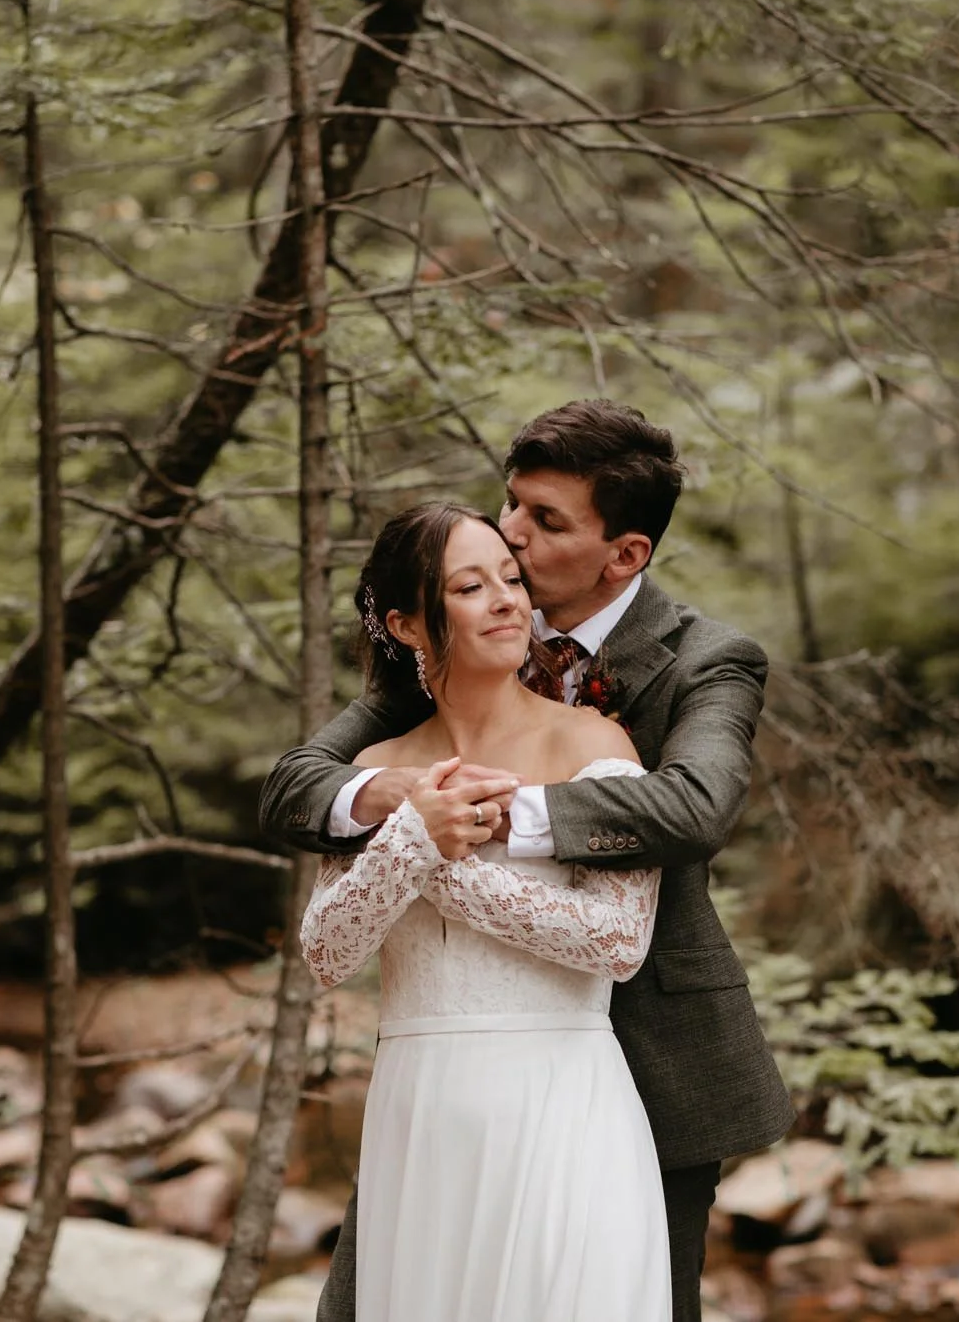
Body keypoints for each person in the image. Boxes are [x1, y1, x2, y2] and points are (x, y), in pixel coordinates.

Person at [260, 399, 796, 1322]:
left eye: (544, 523)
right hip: (438, 1074)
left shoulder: (703, 661)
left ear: (623, 553)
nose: (511, 537)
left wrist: (490, 810)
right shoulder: (440, 635)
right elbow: (297, 786)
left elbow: (696, 806)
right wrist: (392, 803)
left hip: (649, 1058)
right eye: (512, 506)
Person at [297, 501, 671, 1321]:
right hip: (422, 1112)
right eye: (471, 586)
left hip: (563, 1100)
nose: (508, 599)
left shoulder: (594, 745)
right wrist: (411, 834)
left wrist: (434, 856)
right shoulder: (375, 768)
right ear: (408, 624)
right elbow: (326, 951)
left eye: (511, 577)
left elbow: (617, 939)